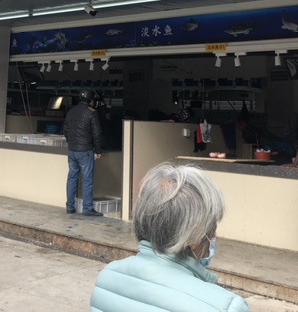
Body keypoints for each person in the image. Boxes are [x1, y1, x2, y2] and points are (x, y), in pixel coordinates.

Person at [90, 163, 249, 312]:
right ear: (194, 236)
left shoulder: (108, 277)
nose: (213, 237)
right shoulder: (226, 307)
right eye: (211, 228)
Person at [61, 88, 104, 216]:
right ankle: (87, 208)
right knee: (87, 180)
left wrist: (71, 142)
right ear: (90, 101)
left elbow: (65, 130)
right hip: (85, 151)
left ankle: (70, 207)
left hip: (72, 151)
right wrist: (98, 150)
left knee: (72, 178)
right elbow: (97, 133)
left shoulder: (71, 112)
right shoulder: (92, 113)